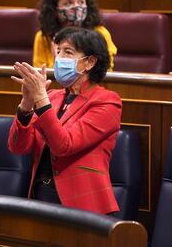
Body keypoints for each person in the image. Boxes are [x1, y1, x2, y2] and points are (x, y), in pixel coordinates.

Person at [8, 27, 121, 215]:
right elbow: (18, 147)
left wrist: (40, 100)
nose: (59, 58)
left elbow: (64, 145)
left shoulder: (107, 102)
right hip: (40, 198)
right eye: (58, 51)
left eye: (68, 52)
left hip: (83, 205)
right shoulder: (52, 97)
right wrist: (26, 106)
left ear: (90, 62)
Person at [33, 0, 117, 70]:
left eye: (81, 2)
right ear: (54, 8)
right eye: (68, 3)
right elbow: (40, 77)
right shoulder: (44, 38)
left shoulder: (100, 33)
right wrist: (58, 62)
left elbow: (105, 73)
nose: (77, 7)